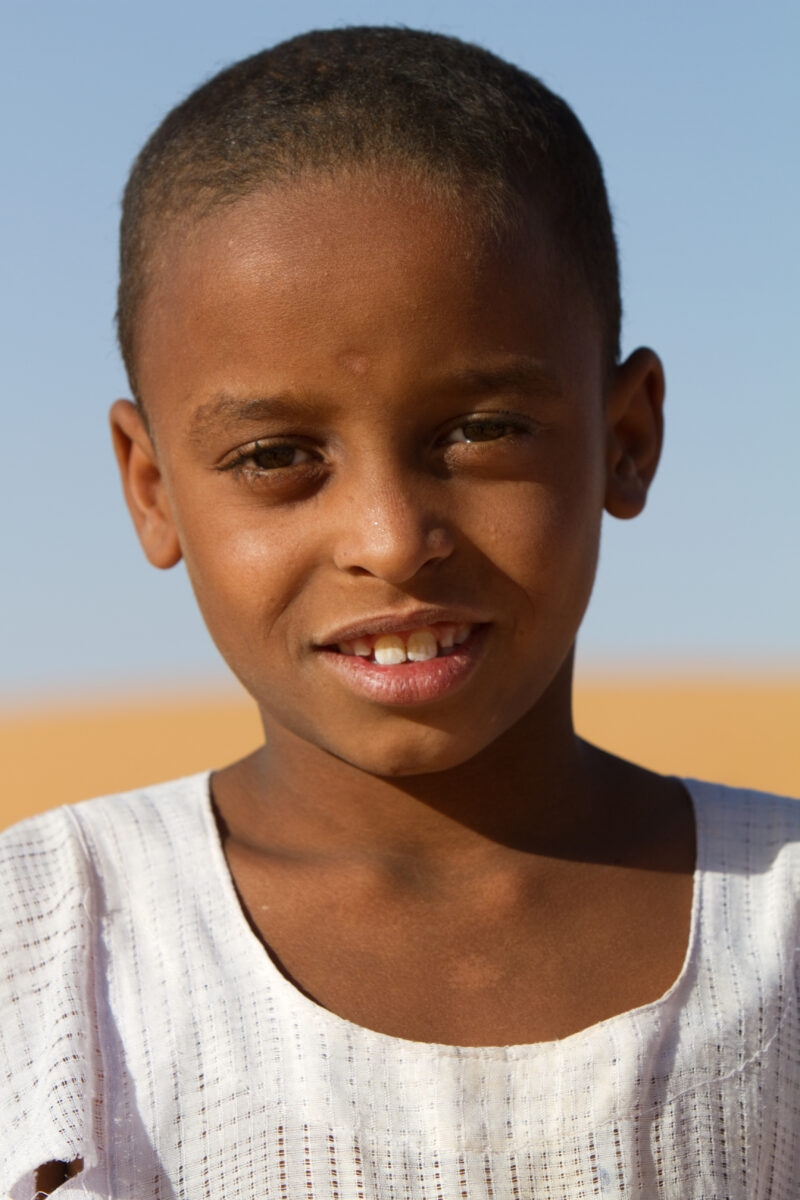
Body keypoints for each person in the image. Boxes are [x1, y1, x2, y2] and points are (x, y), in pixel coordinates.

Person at [1, 26, 797, 1199]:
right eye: (275, 454)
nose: (387, 538)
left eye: (479, 431)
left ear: (624, 439)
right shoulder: (47, 944)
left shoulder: (776, 923)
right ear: (153, 487)